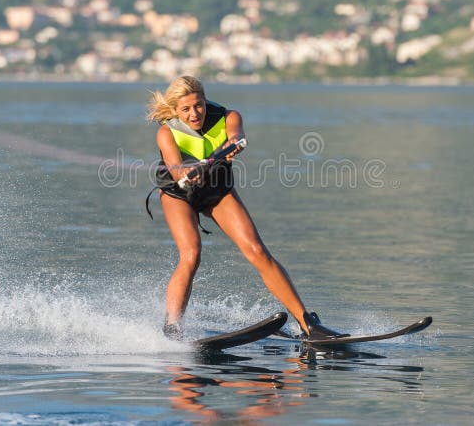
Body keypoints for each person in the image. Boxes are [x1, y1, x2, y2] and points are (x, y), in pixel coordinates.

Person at [146, 75, 346, 340]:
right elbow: (175, 167)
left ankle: (307, 323)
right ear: (175, 110)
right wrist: (187, 170)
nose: (195, 113)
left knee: (257, 250)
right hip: (178, 194)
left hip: (216, 190)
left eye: (199, 105)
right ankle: (173, 328)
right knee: (191, 254)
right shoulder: (166, 132)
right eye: (186, 109)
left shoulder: (229, 117)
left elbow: (237, 136)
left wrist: (233, 146)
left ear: (205, 101)